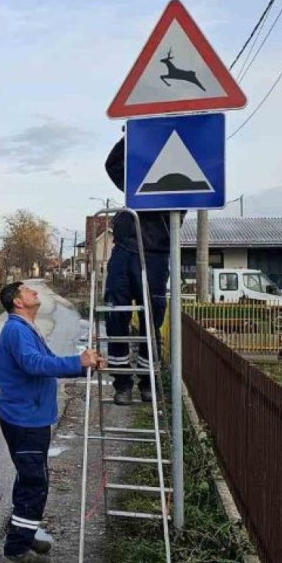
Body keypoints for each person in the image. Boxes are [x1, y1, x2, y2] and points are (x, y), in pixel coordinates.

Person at [0, 281, 105, 563]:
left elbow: (47, 361)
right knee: (34, 483)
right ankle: (16, 549)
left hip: (31, 417)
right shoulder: (17, 330)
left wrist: (82, 366)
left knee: (29, 478)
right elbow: (34, 364)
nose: (35, 293)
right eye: (29, 291)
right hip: (24, 419)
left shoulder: (25, 328)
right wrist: (77, 362)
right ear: (18, 302)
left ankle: (24, 534)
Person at [103, 136, 182, 405]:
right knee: (116, 319)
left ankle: (148, 383)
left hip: (155, 256)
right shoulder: (135, 182)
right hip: (124, 252)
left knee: (151, 323)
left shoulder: (180, 183)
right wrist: (134, 134)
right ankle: (122, 384)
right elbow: (113, 164)